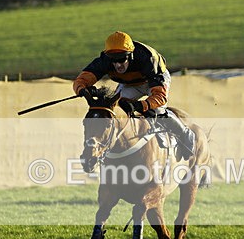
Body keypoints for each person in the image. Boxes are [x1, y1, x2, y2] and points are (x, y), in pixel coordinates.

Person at [72, 31, 195, 159]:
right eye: (113, 61)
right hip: (130, 84)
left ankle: (185, 134)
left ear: (130, 56)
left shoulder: (148, 59)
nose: (118, 65)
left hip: (153, 81)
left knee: (157, 109)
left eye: (121, 59)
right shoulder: (104, 60)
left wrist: (140, 105)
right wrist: (82, 89)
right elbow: (81, 81)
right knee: (117, 108)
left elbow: (159, 96)